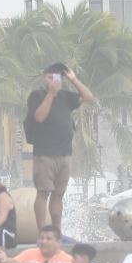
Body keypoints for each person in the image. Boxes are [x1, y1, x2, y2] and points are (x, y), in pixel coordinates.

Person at [24, 62, 97, 238]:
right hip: (44, 154)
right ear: (44, 77)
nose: (53, 81)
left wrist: (74, 80)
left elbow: (89, 97)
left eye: (57, 78)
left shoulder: (66, 96)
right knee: (43, 193)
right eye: (50, 77)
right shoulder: (38, 95)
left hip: (65, 154)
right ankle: (42, 233)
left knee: (58, 194)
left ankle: (57, 231)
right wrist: (51, 93)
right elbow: (39, 117)